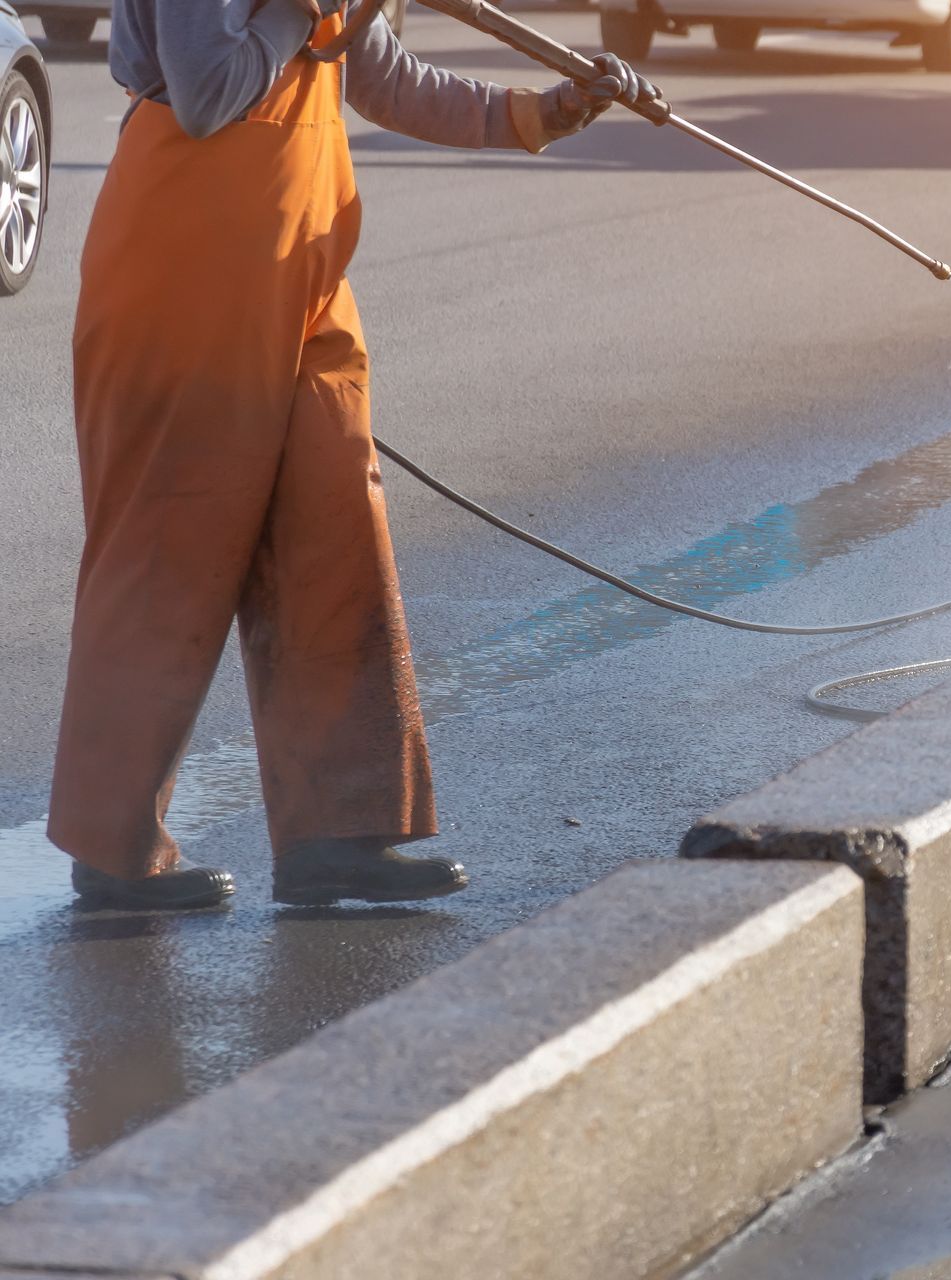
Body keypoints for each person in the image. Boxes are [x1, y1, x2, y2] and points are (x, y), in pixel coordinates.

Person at [49, 0, 658, 910]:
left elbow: (388, 80)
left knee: (334, 527)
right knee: (166, 549)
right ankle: (112, 848)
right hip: (182, 269)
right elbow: (209, 90)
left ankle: (335, 834)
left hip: (299, 269)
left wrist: (546, 111)